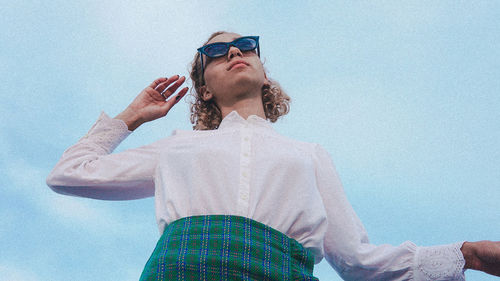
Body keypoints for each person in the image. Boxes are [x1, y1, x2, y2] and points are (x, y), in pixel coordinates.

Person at [46, 31, 500, 280]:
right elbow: (68, 175)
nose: (235, 52)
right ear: (204, 86)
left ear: (264, 74)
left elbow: (360, 263)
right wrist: (130, 116)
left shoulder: (309, 155)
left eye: (245, 46)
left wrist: (469, 255)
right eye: (216, 52)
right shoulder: (178, 146)